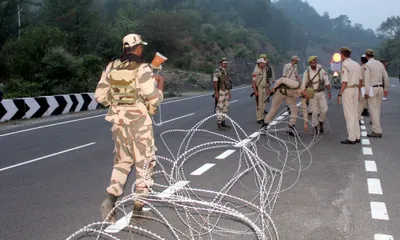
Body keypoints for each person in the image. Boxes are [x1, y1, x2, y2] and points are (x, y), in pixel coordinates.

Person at [95, 33, 164, 223]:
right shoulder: (142, 68)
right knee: (145, 162)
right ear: (139, 48)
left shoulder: (111, 66)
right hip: (139, 123)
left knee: (122, 162)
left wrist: (117, 102)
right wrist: (160, 90)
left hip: (118, 123)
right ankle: (139, 208)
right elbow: (153, 97)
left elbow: (100, 97)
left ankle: (110, 201)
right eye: (142, 46)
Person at [337, 47, 361, 144]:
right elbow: (360, 80)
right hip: (355, 89)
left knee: (349, 114)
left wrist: (340, 94)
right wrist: (359, 92)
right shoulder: (356, 64)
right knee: (355, 113)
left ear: (342, 55)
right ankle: (357, 136)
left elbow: (344, 82)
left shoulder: (345, 66)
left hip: (348, 90)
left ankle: (351, 138)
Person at [302, 56, 331, 134]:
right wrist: (305, 94)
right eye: (312, 62)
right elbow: (303, 85)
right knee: (314, 112)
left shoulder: (321, 71)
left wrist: (329, 91)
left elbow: (326, 82)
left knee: (325, 109)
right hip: (312, 94)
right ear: (310, 63)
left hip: (321, 93)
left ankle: (321, 122)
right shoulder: (307, 72)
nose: (314, 63)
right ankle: (315, 127)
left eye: (315, 62)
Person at [364, 49, 389, 138]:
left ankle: (377, 131)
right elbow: (385, 77)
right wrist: (386, 88)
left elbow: (367, 80)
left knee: (373, 110)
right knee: (377, 109)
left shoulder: (367, 65)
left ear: (367, 56)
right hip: (380, 88)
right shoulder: (380, 64)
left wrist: (366, 92)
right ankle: (376, 129)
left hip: (372, 88)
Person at [213, 57, 232, 130]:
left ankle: (223, 122)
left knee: (225, 107)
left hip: (226, 91)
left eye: (226, 63)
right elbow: (215, 82)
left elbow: (227, 83)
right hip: (220, 91)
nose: (225, 64)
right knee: (220, 107)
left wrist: (229, 92)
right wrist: (216, 93)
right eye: (224, 63)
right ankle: (219, 124)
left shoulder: (225, 71)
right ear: (221, 63)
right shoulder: (217, 71)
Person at [252, 58, 268, 123]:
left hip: (264, 88)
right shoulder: (256, 71)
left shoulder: (263, 70)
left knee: (264, 103)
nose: (264, 64)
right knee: (259, 104)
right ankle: (259, 118)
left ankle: (262, 117)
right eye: (263, 63)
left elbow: (265, 80)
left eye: (264, 63)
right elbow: (253, 82)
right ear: (259, 63)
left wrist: (267, 89)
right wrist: (255, 91)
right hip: (259, 89)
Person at [358, 55, 369, 121]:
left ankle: (358, 119)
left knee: (361, 104)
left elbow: (359, 79)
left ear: (361, 61)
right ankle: (372, 120)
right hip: (370, 87)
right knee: (372, 104)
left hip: (362, 87)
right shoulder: (369, 67)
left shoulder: (360, 68)